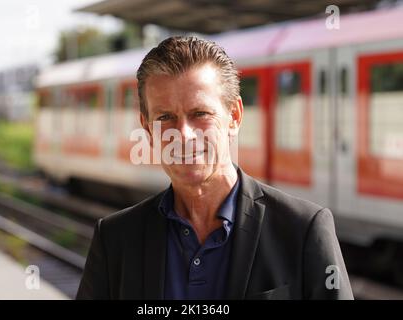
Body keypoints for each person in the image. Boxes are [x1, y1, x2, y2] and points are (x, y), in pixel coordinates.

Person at [76, 36, 353, 300]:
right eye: (165, 117)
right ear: (148, 129)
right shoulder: (114, 239)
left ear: (234, 116)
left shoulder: (303, 230)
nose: (183, 134)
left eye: (200, 114)